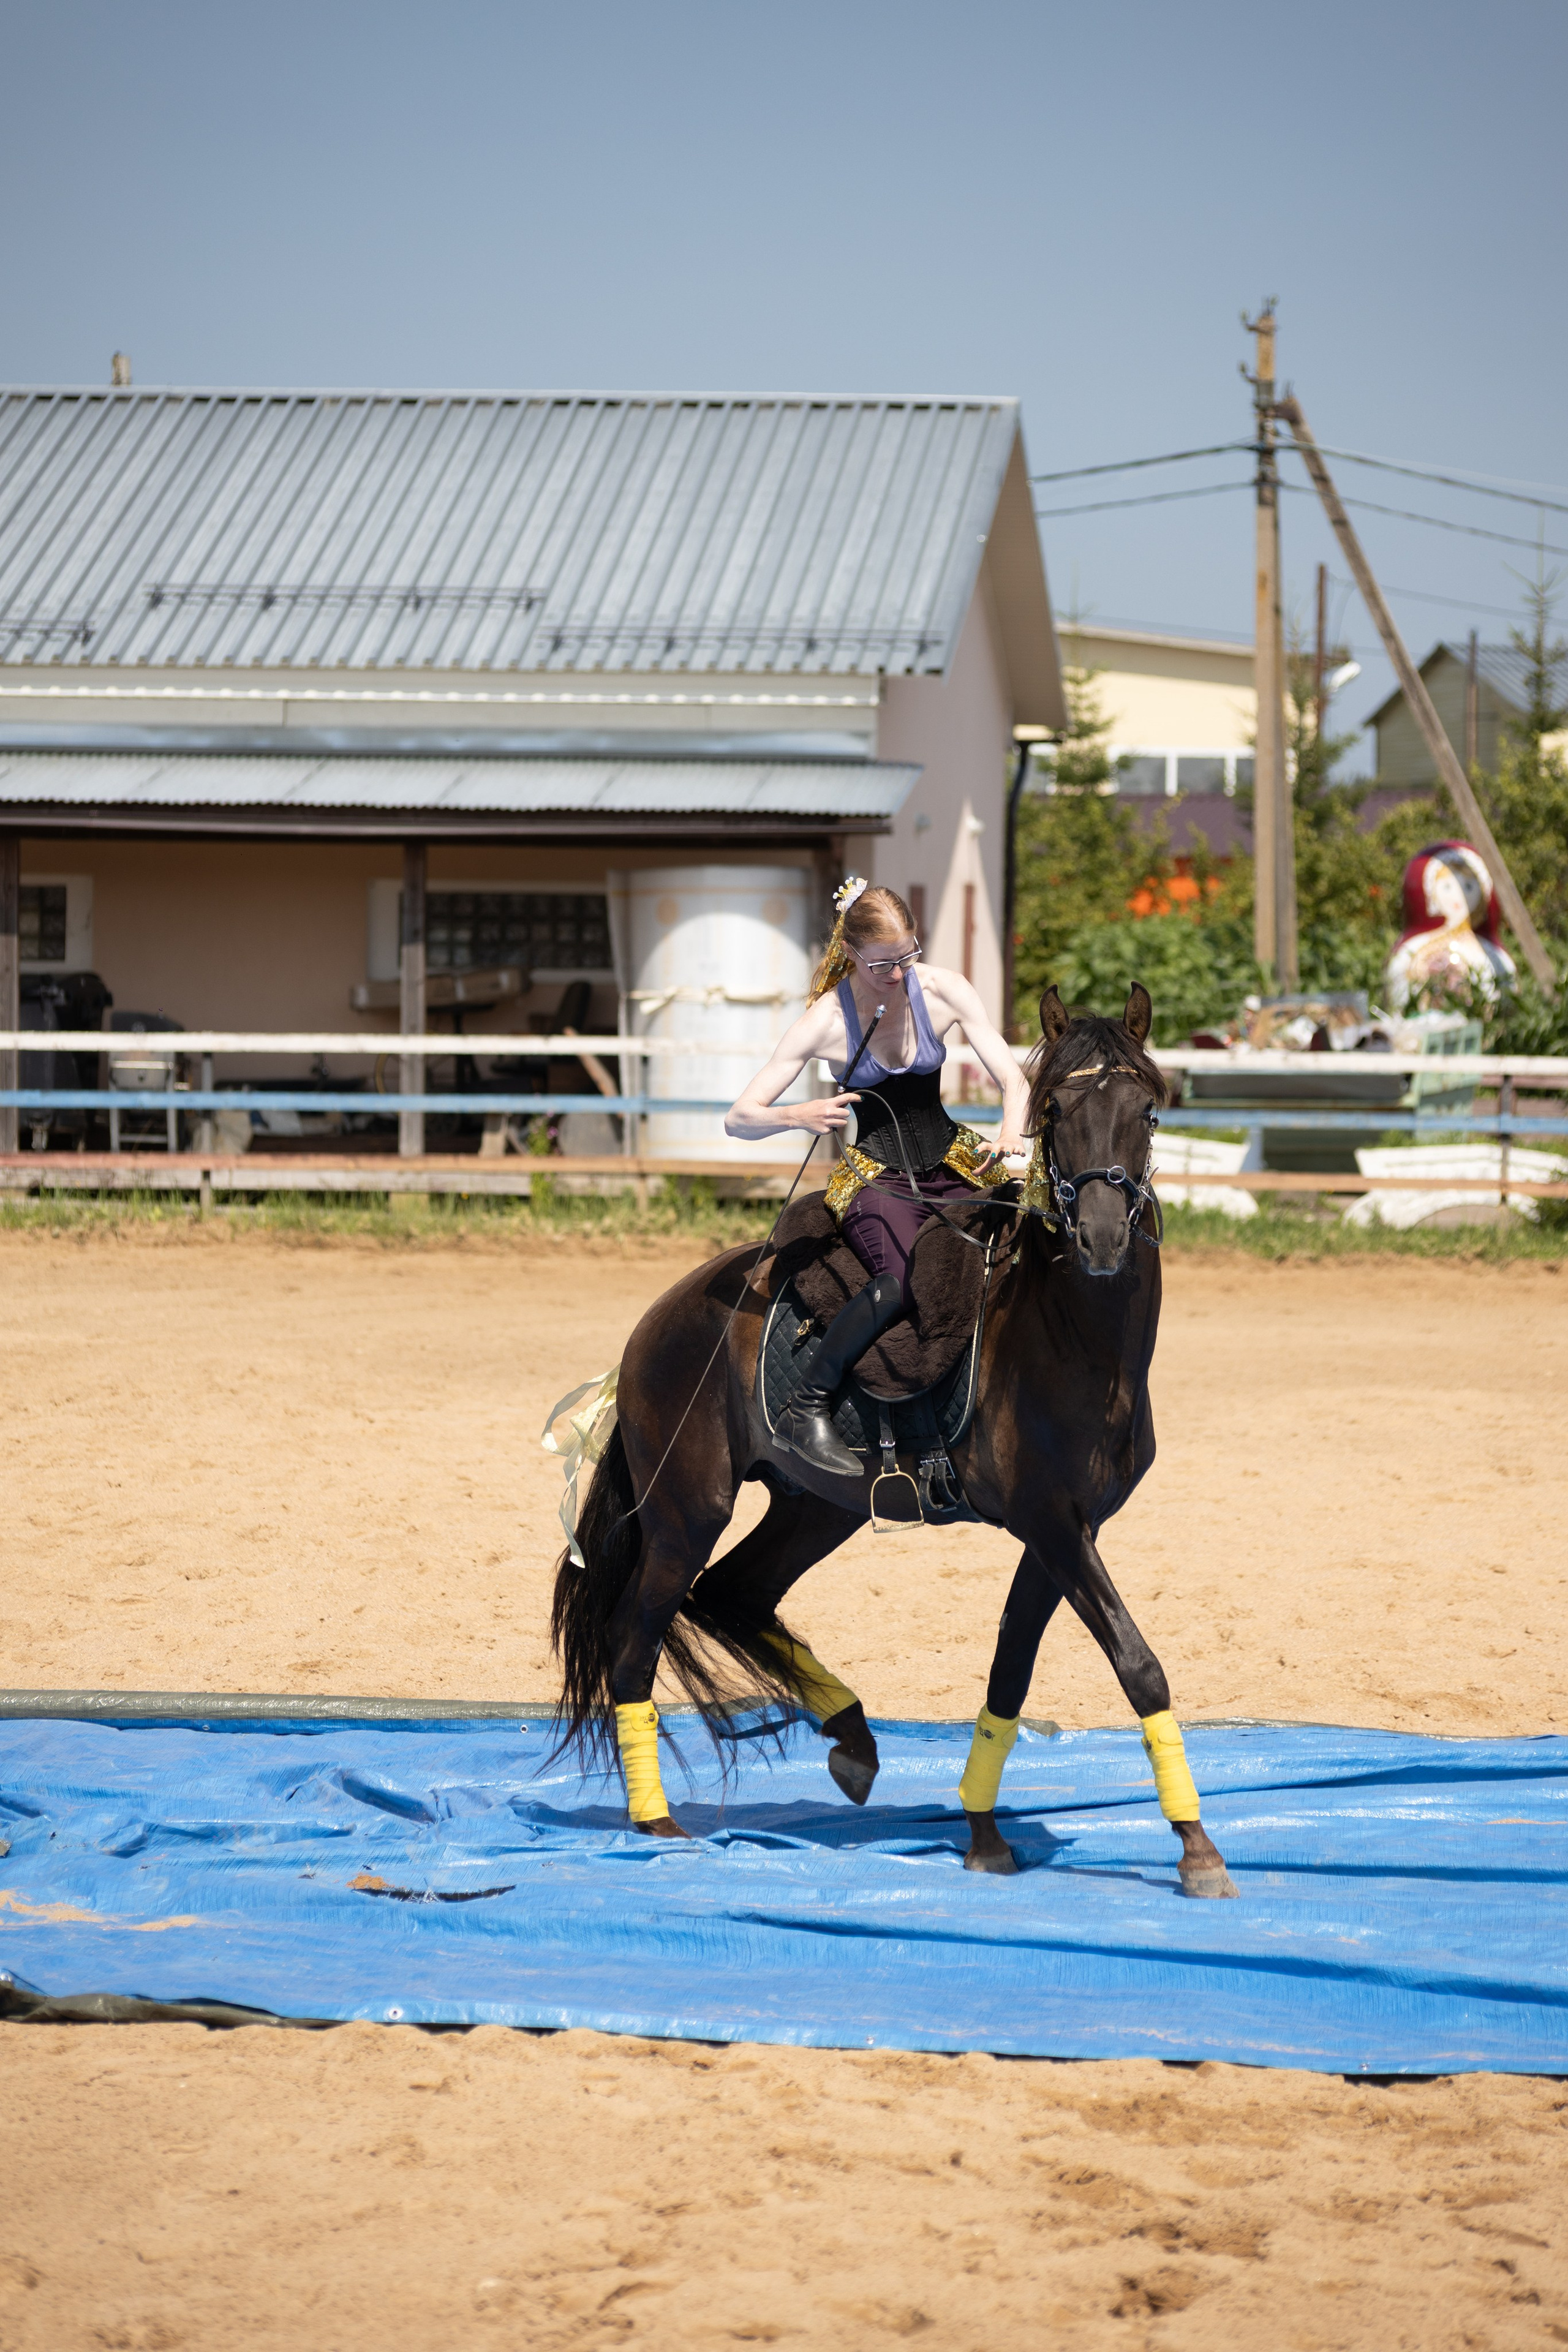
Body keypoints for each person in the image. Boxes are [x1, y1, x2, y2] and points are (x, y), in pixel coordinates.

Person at [726, 876, 1031, 1476]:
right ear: (851, 953)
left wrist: (1010, 1135)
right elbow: (739, 1118)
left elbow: (1013, 1080)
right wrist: (796, 1114)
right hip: (876, 1176)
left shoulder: (944, 991)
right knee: (898, 1282)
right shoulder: (825, 1020)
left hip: (954, 1156)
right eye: (882, 963)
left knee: (1038, 1229)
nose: (898, 972)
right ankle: (805, 1404)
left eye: (908, 956)